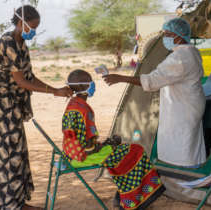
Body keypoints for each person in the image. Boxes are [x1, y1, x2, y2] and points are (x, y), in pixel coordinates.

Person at [0, 5, 72, 210]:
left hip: (10, 105)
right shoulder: (8, 42)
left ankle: (19, 202)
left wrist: (55, 88)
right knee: (5, 156)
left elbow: (29, 77)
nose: (34, 31)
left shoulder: (21, 44)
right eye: (32, 27)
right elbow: (21, 82)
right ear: (21, 23)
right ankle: (10, 205)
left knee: (18, 153)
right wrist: (53, 91)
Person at [103, 18, 206, 167]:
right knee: (189, 142)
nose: (165, 38)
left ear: (178, 35)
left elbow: (152, 81)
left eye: (168, 34)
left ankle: (183, 178)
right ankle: (188, 174)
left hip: (182, 108)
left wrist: (120, 78)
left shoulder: (180, 57)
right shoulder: (191, 52)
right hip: (189, 103)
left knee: (182, 145)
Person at [62, 69, 165, 210]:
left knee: (129, 151)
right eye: (90, 82)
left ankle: (125, 196)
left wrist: (107, 144)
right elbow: (86, 147)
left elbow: (79, 140)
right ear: (81, 87)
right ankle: (131, 200)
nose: (93, 84)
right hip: (83, 156)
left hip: (73, 153)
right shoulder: (82, 110)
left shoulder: (75, 104)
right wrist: (106, 144)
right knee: (136, 152)